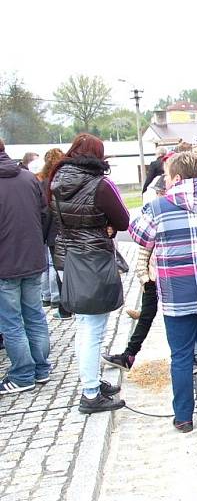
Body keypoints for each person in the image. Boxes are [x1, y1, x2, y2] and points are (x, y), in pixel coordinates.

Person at [129, 151, 197, 431]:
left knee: (181, 356)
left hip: (176, 292)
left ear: (175, 177)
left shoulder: (159, 206)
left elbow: (137, 233)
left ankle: (184, 417)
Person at [50, 133, 128, 413]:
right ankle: (91, 393)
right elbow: (122, 219)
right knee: (93, 329)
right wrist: (105, 227)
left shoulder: (56, 180)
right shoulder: (99, 185)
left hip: (69, 255)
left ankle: (91, 381)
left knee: (84, 326)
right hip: (93, 258)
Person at [0, 137, 51, 395]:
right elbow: (44, 214)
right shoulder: (28, 178)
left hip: (5, 265)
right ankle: (41, 368)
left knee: (11, 322)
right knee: (34, 315)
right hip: (32, 258)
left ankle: (22, 374)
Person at [38, 149, 66, 312]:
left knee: (57, 268)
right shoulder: (65, 180)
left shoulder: (44, 182)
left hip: (53, 232)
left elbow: (45, 212)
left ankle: (61, 305)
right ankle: (65, 303)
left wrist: (43, 235)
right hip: (67, 231)